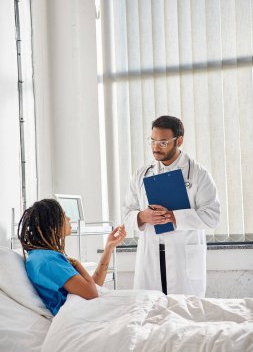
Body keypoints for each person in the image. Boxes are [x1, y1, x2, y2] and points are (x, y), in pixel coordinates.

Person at [123, 115, 220, 297]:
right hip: (150, 255)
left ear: (179, 140)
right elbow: (127, 211)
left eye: (163, 142)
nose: (155, 148)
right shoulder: (141, 174)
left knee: (184, 313)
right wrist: (142, 216)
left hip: (183, 256)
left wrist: (175, 217)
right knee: (150, 312)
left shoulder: (198, 174)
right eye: (152, 141)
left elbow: (212, 216)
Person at [18, 198, 126, 315]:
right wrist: (76, 263)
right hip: (76, 315)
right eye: (64, 216)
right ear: (52, 224)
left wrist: (109, 248)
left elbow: (93, 286)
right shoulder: (48, 260)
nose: (69, 219)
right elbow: (92, 293)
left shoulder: (41, 256)